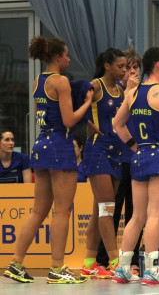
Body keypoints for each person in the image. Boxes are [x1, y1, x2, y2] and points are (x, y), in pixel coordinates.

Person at [3, 36, 92, 283]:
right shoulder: (60, 81)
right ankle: (56, 268)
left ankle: (15, 263)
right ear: (56, 57)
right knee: (62, 211)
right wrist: (85, 104)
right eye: (66, 55)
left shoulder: (37, 80)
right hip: (59, 146)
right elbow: (68, 121)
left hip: (40, 145)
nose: (69, 59)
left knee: (38, 210)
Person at [111, 47, 159, 285]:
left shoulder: (132, 93)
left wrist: (135, 146)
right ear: (158, 65)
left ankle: (123, 268)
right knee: (156, 215)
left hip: (140, 155)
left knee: (137, 216)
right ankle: (152, 269)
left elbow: (117, 124)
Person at [80, 48, 127, 279]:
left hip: (117, 151)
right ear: (107, 65)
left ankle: (89, 262)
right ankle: (115, 262)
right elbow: (73, 107)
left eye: (125, 66)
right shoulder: (95, 85)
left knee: (99, 209)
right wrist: (87, 124)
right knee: (107, 209)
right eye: (120, 66)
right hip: (97, 151)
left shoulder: (121, 90)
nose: (124, 70)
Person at [96, 47, 143, 275]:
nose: (131, 72)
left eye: (135, 68)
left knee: (137, 211)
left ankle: (131, 259)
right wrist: (129, 92)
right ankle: (104, 258)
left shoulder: (143, 94)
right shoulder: (115, 93)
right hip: (115, 156)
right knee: (110, 210)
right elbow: (113, 120)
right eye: (126, 68)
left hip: (136, 159)